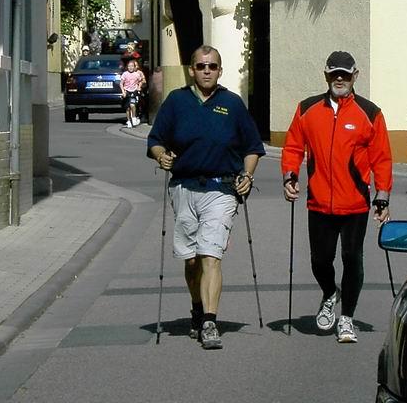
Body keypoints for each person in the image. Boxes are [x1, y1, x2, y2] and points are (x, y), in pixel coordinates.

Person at [147, 45, 265, 349]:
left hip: (221, 189)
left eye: (212, 66)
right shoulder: (176, 101)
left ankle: (210, 322)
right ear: (192, 70)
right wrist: (161, 156)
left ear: (220, 71)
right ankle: (197, 309)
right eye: (201, 66)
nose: (207, 71)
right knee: (192, 261)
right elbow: (155, 141)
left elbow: (253, 147)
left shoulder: (232, 103)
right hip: (184, 188)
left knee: (211, 254)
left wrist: (247, 176)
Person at [281, 50, 392, 344]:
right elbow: (293, 147)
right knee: (320, 260)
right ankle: (331, 292)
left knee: (352, 257)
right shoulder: (307, 109)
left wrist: (382, 196)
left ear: (355, 76)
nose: (339, 79)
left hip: (355, 203)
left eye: (345, 74)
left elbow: (382, 158)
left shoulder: (370, 113)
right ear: (326, 76)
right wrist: (289, 176)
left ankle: (347, 319)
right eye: (334, 74)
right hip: (319, 202)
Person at [120, 59, 145, 128]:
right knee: (127, 108)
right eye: (129, 66)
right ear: (127, 67)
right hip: (127, 91)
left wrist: (139, 87)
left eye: (132, 66)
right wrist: (123, 92)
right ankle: (128, 121)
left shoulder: (137, 74)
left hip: (134, 91)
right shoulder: (125, 74)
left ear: (134, 67)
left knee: (132, 105)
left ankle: (133, 117)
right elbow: (121, 83)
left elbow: (141, 81)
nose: (130, 68)